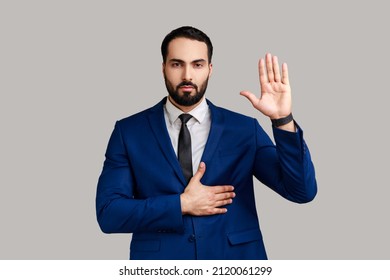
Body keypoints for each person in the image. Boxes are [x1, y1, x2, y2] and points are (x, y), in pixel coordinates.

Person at [96, 26, 317, 260]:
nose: (187, 76)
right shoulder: (129, 132)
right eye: (177, 64)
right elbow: (109, 213)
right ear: (163, 68)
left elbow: (301, 191)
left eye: (197, 64)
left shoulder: (243, 129)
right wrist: (180, 204)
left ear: (210, 69)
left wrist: (282, 120)